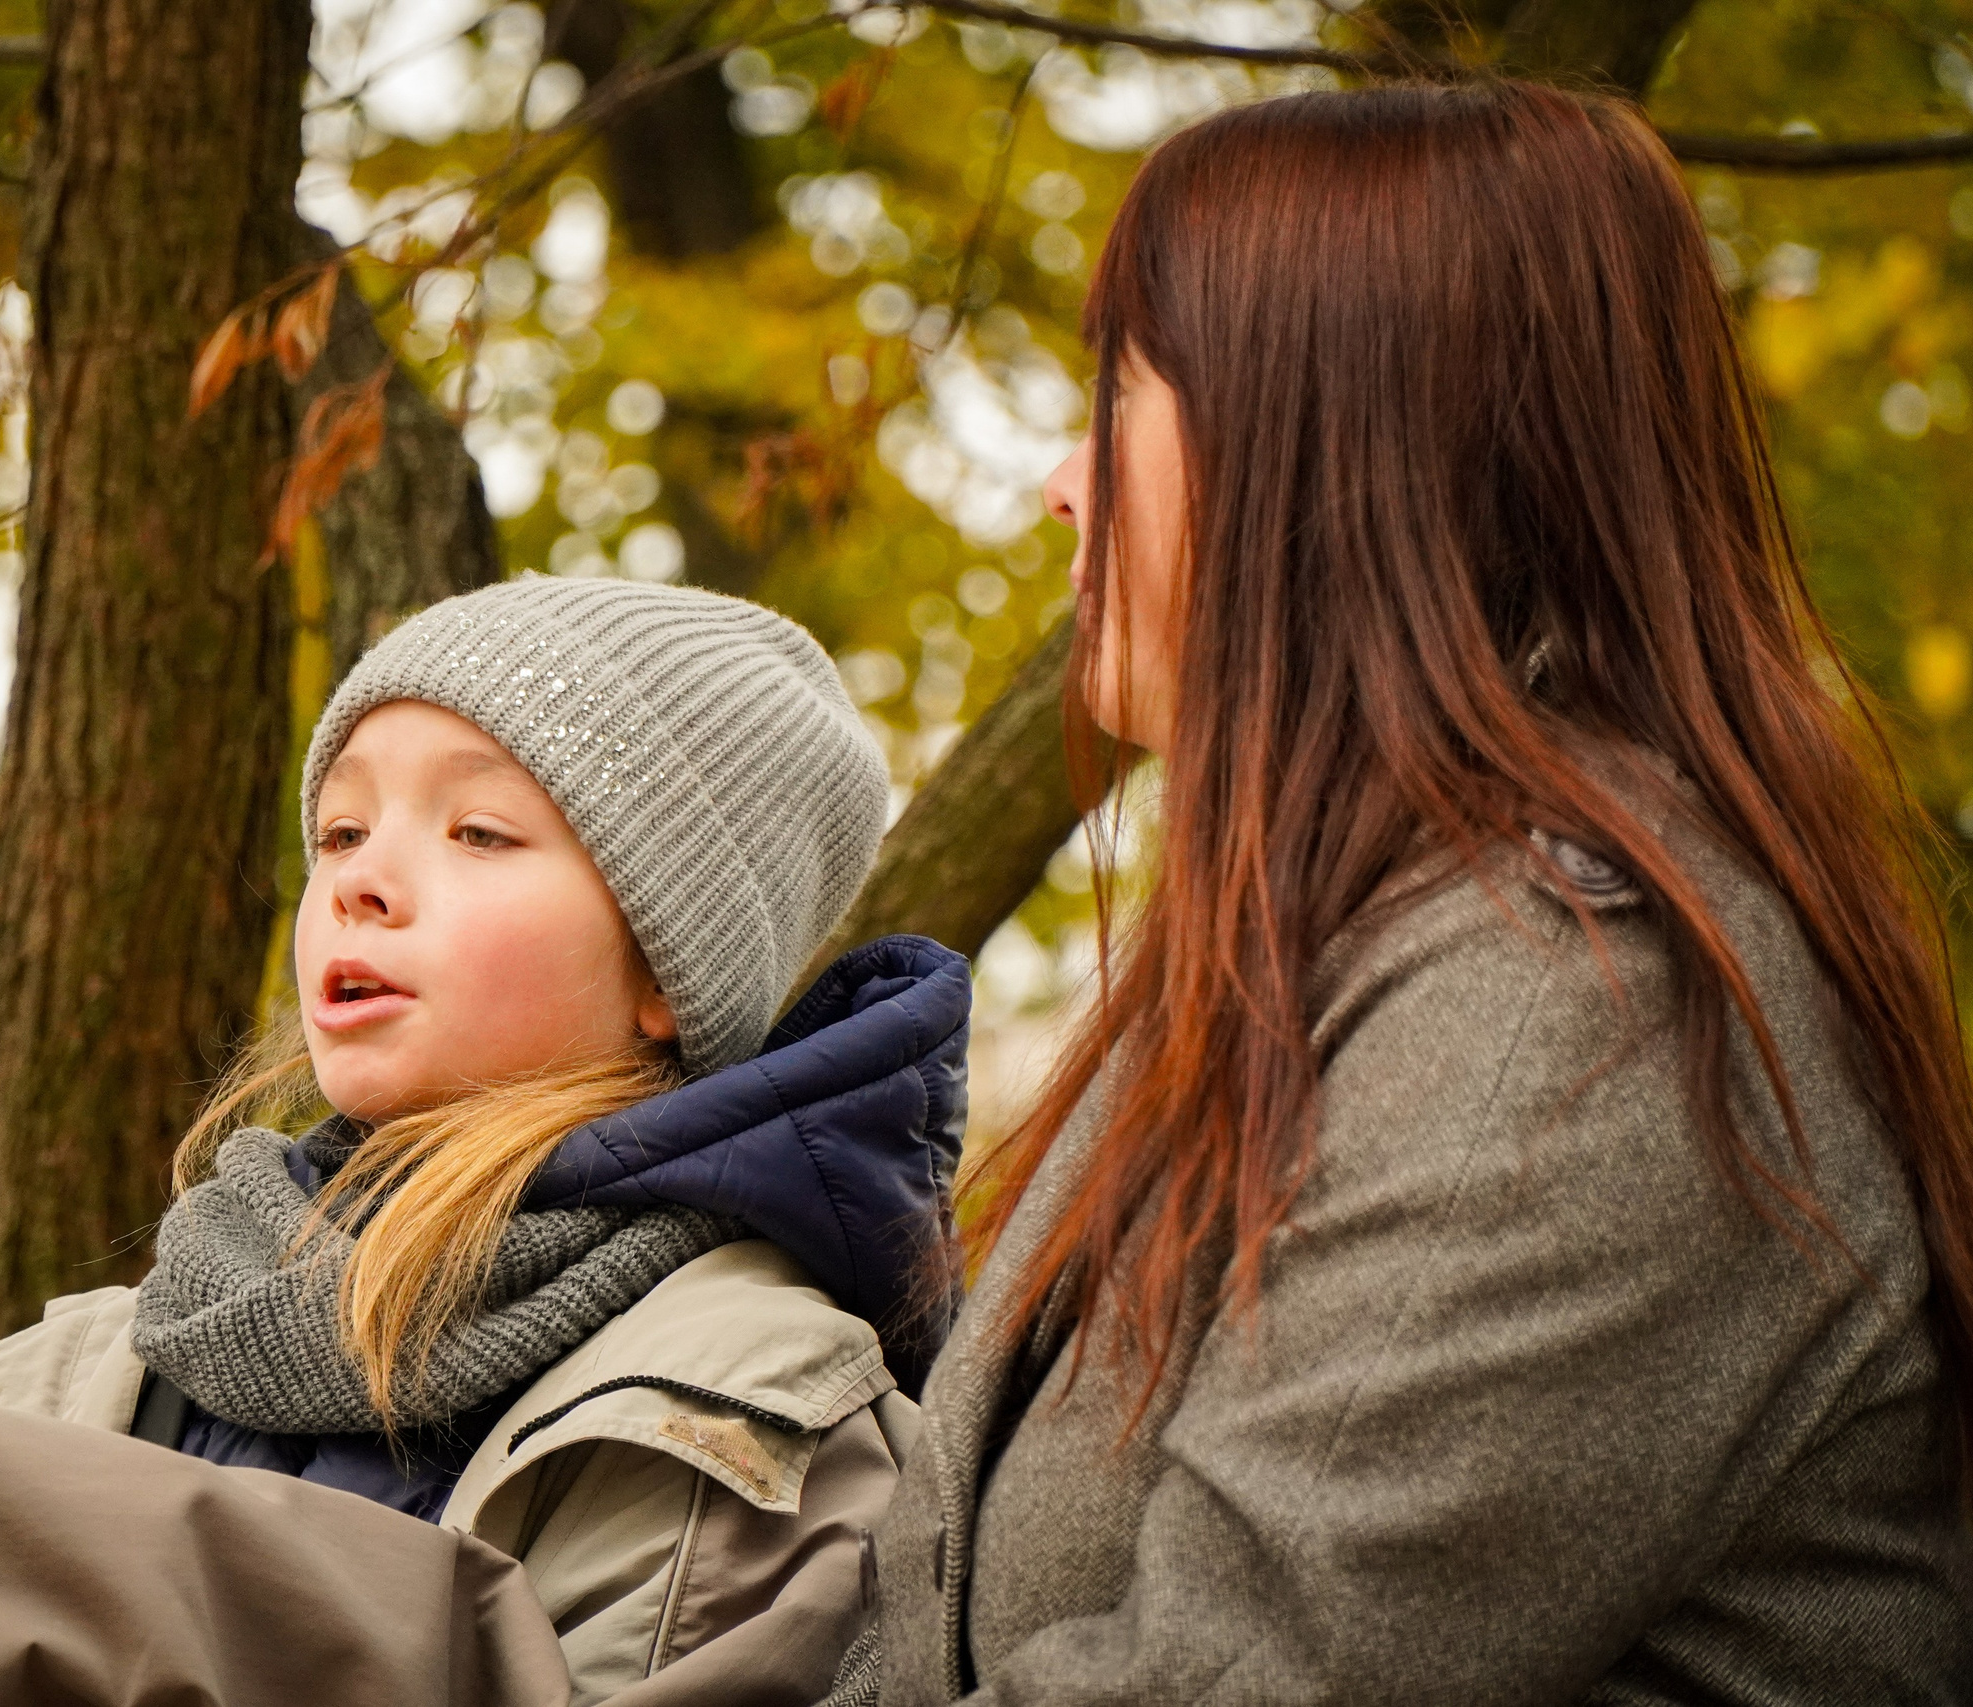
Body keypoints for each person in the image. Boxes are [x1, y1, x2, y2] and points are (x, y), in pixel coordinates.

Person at [827, 80, 1973, 1707]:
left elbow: (1237, 1678)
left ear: (1322, 446)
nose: (1057, 486)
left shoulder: (1578, 1001)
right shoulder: (1323, 950)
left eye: (1115, 396)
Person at [0, 576, 970, 1707]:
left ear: (670, 968)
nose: (364, 885)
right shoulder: (134, 1342)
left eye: (478, 835)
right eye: (339, 836)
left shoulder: (754, 1411)